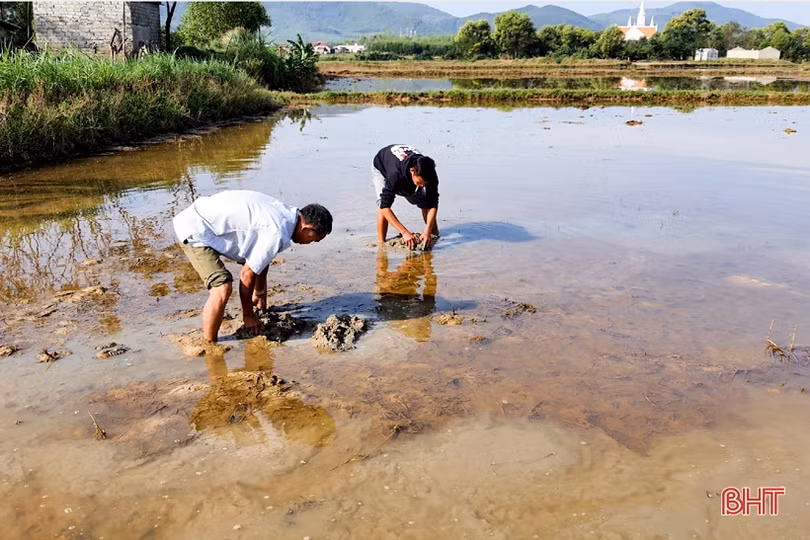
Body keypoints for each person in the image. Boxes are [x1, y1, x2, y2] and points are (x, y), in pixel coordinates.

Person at [173, 190, 332, 343]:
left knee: (254, 264)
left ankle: (251, 303)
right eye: (314, 239)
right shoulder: (276, 232)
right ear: (307, 228)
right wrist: (248, 315)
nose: (311, 243)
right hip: (195, 228)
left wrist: (260, 292)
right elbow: (246, 274)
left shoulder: (286, 214)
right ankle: (209, 346)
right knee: (222, 287)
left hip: (207, 220)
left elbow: (262, 260)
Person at [372, 144, 440, 250]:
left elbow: (433, 204)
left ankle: (434, 235)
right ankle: (381, 244)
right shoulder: (395, 175)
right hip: (382, 165)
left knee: (427, 201)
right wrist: (404, 232)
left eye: (425, 184)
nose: (422, 186)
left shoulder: (429, 174)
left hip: (406, 172)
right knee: (383, 203)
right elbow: (384, 207)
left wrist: (427, 231)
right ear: (413, 171)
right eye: (420, 182)